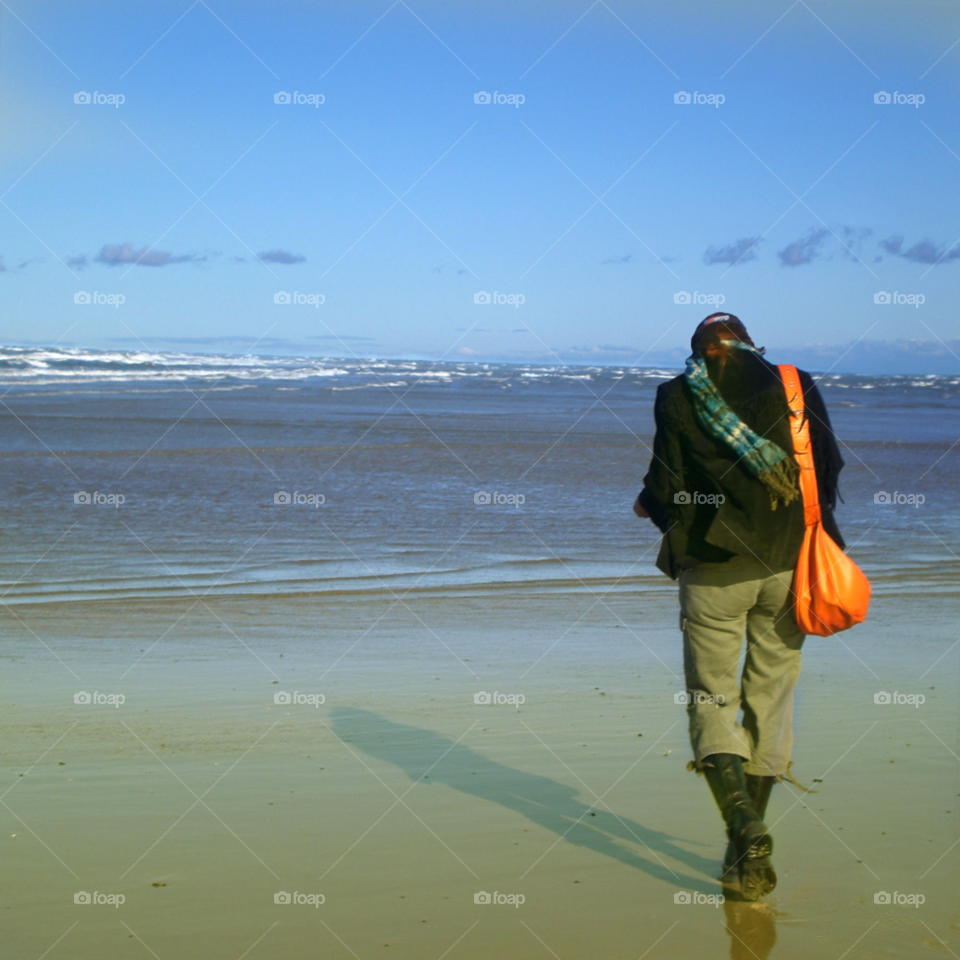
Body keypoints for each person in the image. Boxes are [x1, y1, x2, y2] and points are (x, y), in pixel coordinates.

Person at [633, 313, 844, 901]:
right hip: (788, 565)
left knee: (712, 697)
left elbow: (668, 481)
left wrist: (649, 506)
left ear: (698, 353)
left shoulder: (677, 393)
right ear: (750, 346)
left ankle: (743, 829)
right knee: (770, 697)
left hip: (715, 569)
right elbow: (826, 468)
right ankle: (744, 851)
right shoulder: (794, 383)